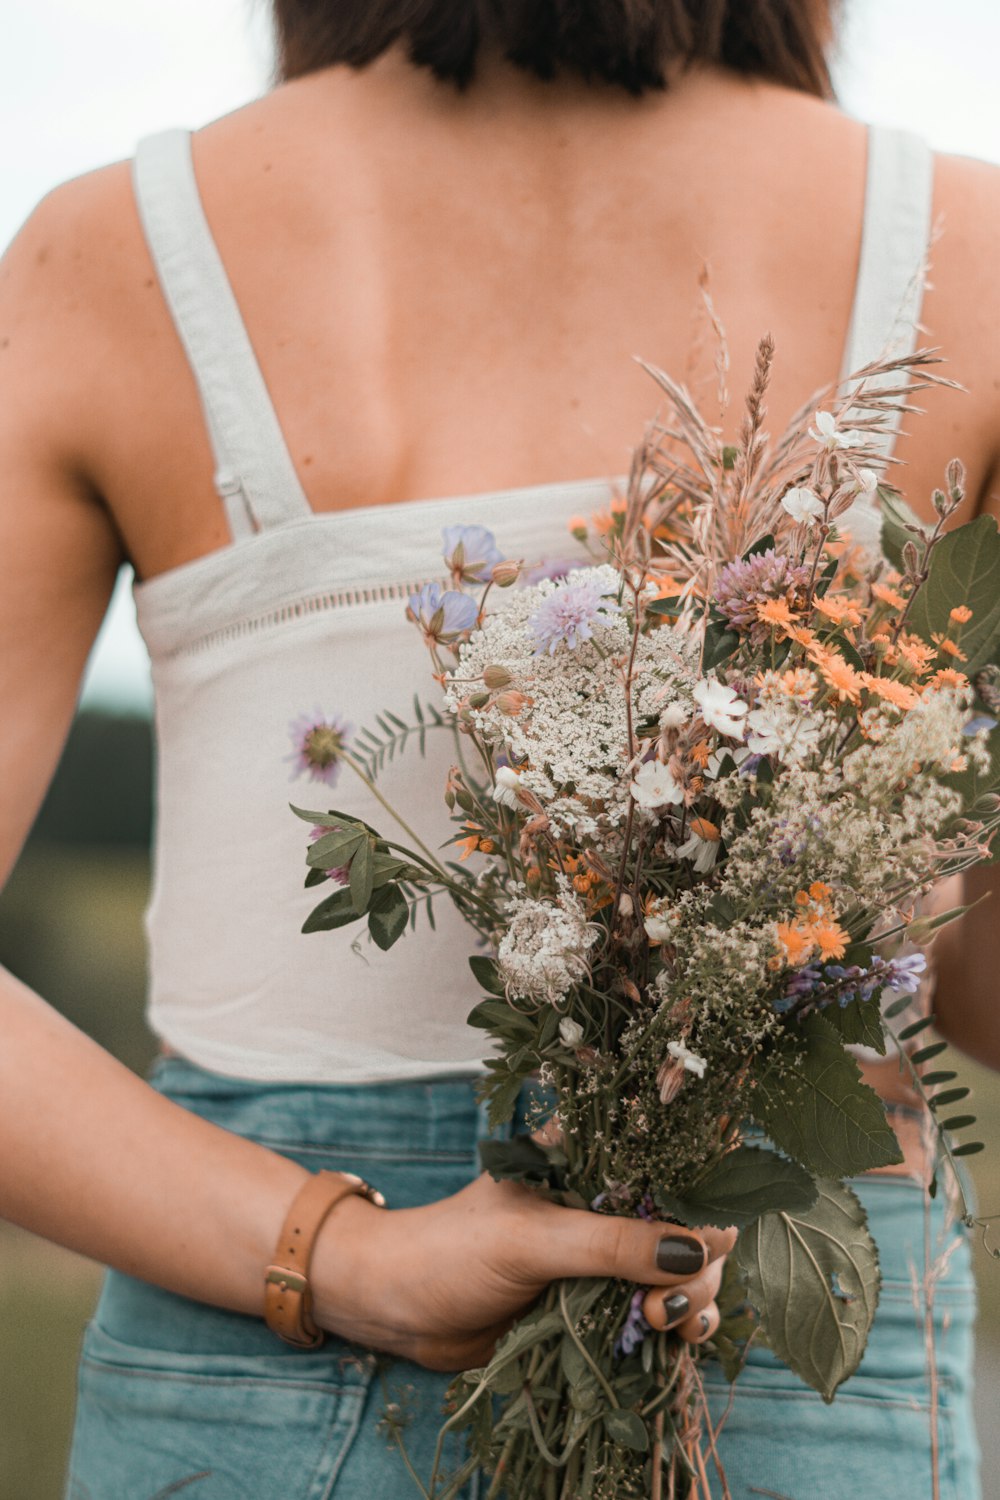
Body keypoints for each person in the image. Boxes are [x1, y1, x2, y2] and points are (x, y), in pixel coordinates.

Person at [0, 2, 996, 1496]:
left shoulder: (112, 255)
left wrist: (334, 1257)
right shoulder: (971, 257)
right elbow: (974, 986)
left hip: (256, 1333)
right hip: (788, 1329)